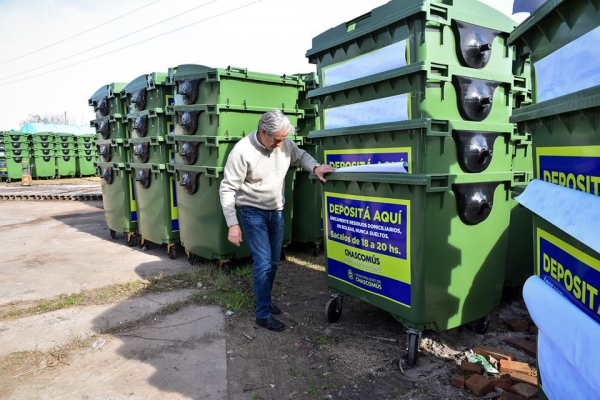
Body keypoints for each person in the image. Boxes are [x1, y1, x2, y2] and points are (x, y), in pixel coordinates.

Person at [219, 109, 334, 331]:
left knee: (272, 261)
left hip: (276, 211)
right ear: (263, 132)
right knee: (263, 263)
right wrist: (232, 223)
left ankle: (266, 301)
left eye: (284, 139)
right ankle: (262, 314)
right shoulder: (242, 151)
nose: (281, 145)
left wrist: (316, 166)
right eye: (277, 140)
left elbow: (300, 156)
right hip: (252, 212)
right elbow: (227, 188)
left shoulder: (284, 145)